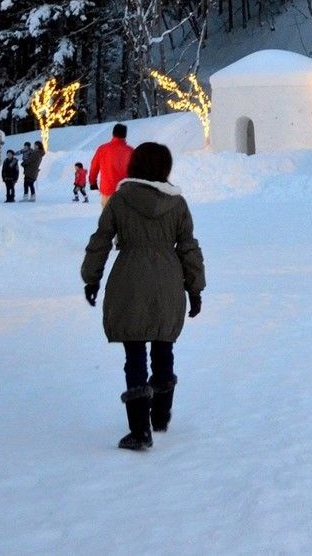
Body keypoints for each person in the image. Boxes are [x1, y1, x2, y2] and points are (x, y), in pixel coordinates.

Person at [81, 141, 206, 451]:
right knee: (164, 347)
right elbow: (188, 247)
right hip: (167, 280)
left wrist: (91, 278)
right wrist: (195, 287)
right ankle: (161, 417)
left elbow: (101, 241)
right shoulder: (177, 204)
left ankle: (140, 430)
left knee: (134, 353)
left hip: (129, 280)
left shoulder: (121, 200)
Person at [89, 123, 133, 203]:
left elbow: (94, 167)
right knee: (123, 215)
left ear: (113, 134)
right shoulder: (130, 151)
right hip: (125, 191)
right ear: (125, 135)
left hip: (107, 190)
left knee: (108, 214)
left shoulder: (103, 149)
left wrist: (93, 182)